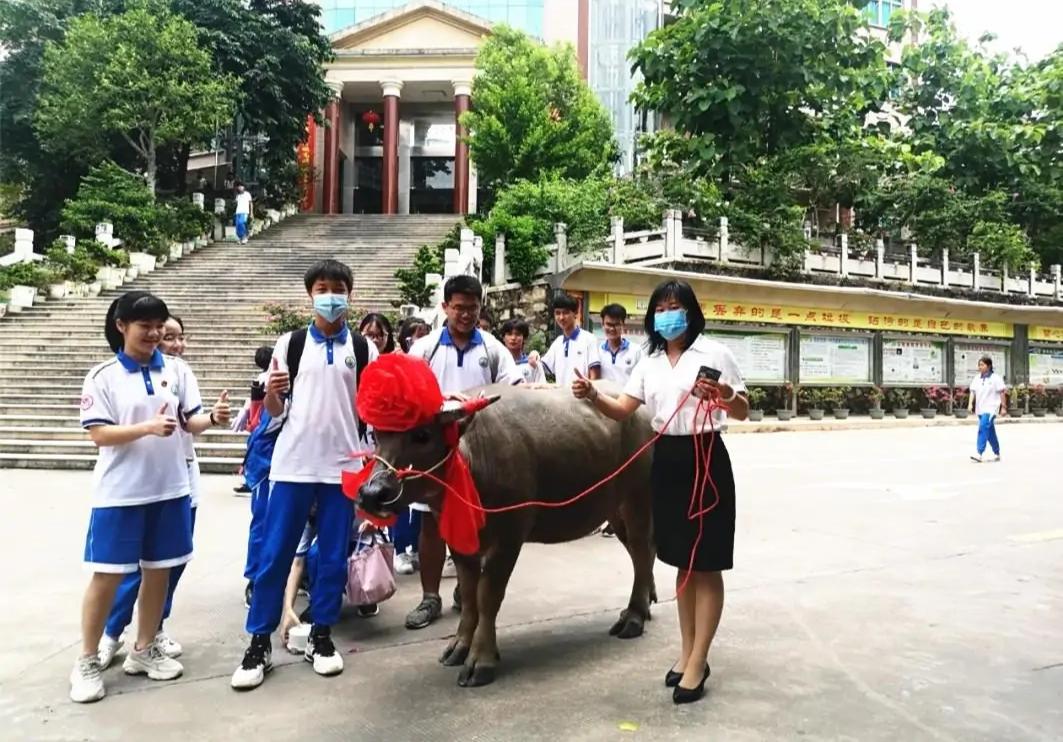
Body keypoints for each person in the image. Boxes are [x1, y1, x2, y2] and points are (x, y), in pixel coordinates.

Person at [571, 279, 748, 705]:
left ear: (691, 312)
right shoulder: (648, 361)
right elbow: (622, 410)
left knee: (705, 564)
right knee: (682, 564)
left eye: (677, 306)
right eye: (661, 307)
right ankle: (688, 653)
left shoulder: (715, 354)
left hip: (705, 458)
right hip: (664, 461)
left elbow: (743, 410)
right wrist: (593, 394)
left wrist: (723, 394)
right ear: (652, 317)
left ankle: (699, 659)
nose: (669, 314)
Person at [71, 292, 230, 703]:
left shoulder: (177, 370)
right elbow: (98, 434)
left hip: (171, 488)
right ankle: (88, 659)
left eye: (160, 326)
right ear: (122, 326)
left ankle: (144, 649)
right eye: (146, 326)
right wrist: (145, 428)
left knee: (159, 571)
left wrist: (211, 418)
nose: (155, 333)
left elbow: (187, 422)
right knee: (107, 575)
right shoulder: (102, 376)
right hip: (120, 494)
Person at [232, 259, 377, 691]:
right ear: (310, 294)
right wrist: (273, 397)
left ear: (349, 295)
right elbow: (276, 413)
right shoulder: (291, 344)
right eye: (322, 287)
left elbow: (370, 411)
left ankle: (322, 636)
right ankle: (258, 643)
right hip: (293, 464)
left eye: (338, 288)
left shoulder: (365, 349)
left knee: (333, 557)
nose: (330, 295)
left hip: (344, 467)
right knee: (275, 554)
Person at [405, 275, 520, 629]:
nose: (466, 315)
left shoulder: (492, 349)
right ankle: (430, 597)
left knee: (478, 523)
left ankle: (465, 593)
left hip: (482, 453)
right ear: (445, 307)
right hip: (432, 454)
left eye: (472, 308)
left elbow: (512, 391)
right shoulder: (423, 349)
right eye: (459, 307)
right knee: (431, 524)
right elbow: (408, 397)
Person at [233, 345, 273, 495]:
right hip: (265, 420)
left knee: (253, 449)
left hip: (260, 421)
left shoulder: (262, 378)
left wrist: (244, 413)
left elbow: (251, 401)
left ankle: (250, 479)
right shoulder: (271, 377)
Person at [541, 293, 601, 385]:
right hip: (562, 398)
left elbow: (595, 376)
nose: (561, 317)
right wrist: (534, 355)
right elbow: (542, 367)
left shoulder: (589, 339)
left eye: (565, 313)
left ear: (576, 313)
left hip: (583, 397)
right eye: (557, 313)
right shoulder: (558, 342)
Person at [968, 356, 1007, 463]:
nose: (980, 367)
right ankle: (997, 452)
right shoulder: (977, 378)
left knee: (983, 427)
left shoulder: (995, 378)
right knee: (989, 432)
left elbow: (1002, 392)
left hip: (991, 408)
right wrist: (970, 404)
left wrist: (1003, 407)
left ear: (988, 366)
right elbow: (972, 391)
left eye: (982, 365)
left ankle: (979, 453)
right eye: (979, 365)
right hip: (980, 408)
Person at [599, 303, 643, 385]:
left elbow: (641, 380)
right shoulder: (597, 351)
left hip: (628, 397)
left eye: (616, 324)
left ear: (623, 325)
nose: (612, 329)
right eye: (609, 324)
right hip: (602, 397)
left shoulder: (636, 351)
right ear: (603, 325)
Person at [501, 317, 546, 384]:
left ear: (524, 338)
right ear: (503, 338)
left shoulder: (533, 364)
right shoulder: (498, 365)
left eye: (518, 334)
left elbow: (542, 388)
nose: (513, 338)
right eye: (509, 334)